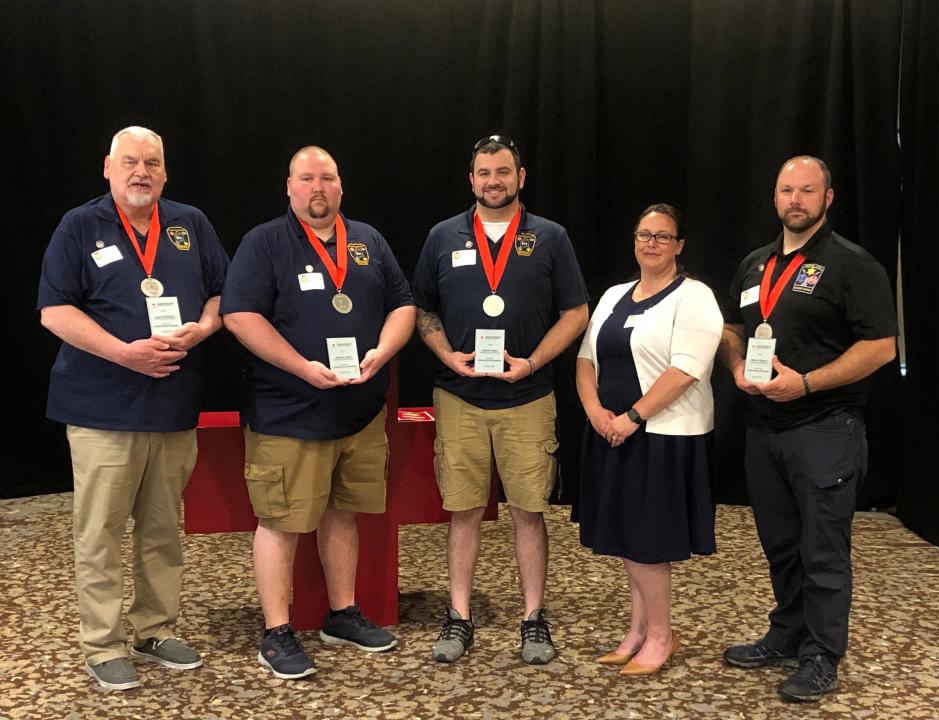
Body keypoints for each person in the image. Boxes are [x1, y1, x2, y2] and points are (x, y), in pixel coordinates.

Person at [37, 126, 229, 690]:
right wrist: (125, 354)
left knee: (163, 528)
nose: (140, 171)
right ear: (108, 167)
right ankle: (102, 643)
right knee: (99, 531)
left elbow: (224, 292)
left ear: (165, 172)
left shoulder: (190, 224)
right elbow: (53, 311)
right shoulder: (80, 225)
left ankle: (156, 628)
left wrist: (204, 327)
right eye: (130, 162)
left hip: (171, 403)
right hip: (103, 407)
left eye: (152, 162)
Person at [221, 146, 415, 680]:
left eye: (326, 178)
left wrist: (385, 349)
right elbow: (239, 316)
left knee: (342, 513)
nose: (317, 188)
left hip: (357, 413)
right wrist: (300, 367)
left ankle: (342, 613)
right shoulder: (264, 242)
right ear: (289, 187)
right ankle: (277, 632)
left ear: (340, 185)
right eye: (306, 178)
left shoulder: (368, 241)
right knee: (280, 522)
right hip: (290, 413)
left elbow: (403, 303)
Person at [718, 156, 898, 702]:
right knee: (782, 544)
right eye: (786, 191)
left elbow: (881, 347)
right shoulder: (755, 263)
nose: (795, 200)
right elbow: (731, 327)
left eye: (807, 191)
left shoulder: (852, 265)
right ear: (775, 197)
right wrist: (734, 367)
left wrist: (809, 383)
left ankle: (822, 654)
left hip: (825, 427)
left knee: (822, 548)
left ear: (828, 197)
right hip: (764, 428)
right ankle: (788, 633)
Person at [412, 134, 589, 665]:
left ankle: (533, 617)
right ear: (471, 179)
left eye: (503, 172)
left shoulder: (550, 237)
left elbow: (576, 312)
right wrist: (447, 356)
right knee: (463, 511)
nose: (494, 181)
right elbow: (421, 310)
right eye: (484, 173)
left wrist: (533, 362)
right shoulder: (443, 236)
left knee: (528, 512)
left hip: (528, 397)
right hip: (460, 397)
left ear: (521, 177)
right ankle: (459, 616)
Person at [575, 203, 722, 676]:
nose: (651, 243)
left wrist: (632, 417)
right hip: (610, 433)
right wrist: (597, 413)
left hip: (660, 437)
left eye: (662, 236)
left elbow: (686, 370)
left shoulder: (694, 297)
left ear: (679, 245)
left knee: (648, 543)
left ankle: (661, 635)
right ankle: (637, 631)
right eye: (644, 235)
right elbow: (585, 360)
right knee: (626, 539)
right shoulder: (615, 294)